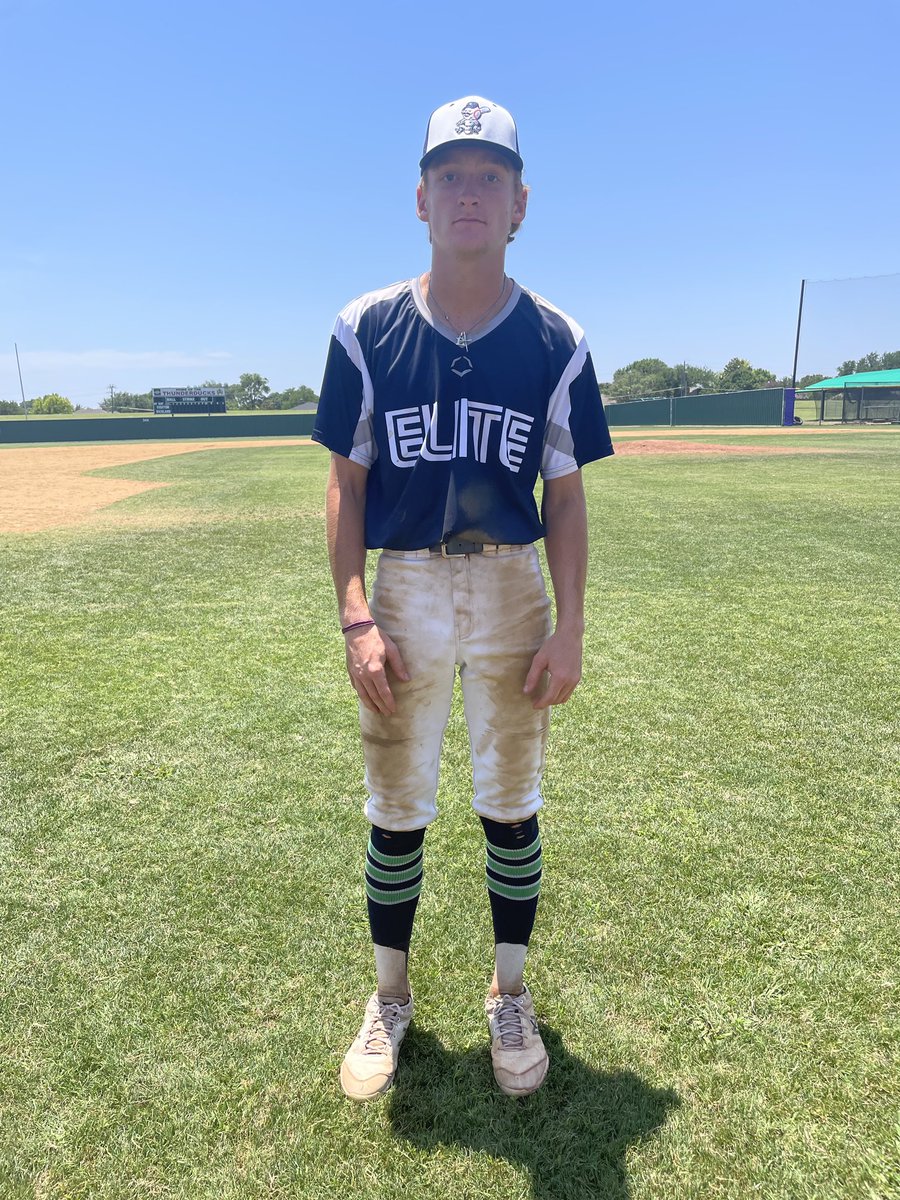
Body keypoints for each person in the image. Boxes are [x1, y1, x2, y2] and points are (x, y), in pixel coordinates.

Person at [313, 95, 613, 1101]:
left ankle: (508, 992)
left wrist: (570, 629)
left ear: (520, 202)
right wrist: (355, 614)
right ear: (421, 199)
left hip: (511, 581)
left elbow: (565, 499)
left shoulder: (558, 336)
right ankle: (389, 998)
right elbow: (345, 484)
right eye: (451, 175)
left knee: (510, 804)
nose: (469, 192)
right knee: (396, 806)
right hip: (401, 582)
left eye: (489, 175)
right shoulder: (364, 328)